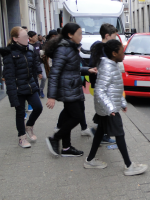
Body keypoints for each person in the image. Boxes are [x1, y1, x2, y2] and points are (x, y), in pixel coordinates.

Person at [84, 39, 148, 175]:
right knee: (120, 134)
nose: (124, 54)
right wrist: (111, 108)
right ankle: (129, 166)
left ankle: (89, 160)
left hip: (107, 107)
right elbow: (100, 90)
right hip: (108, 109)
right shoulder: (108, 67)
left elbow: (115, 88)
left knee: (100, 132)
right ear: (114, 53)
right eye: (122, 52)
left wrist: (122, 103)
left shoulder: (112, 65)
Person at [44, 23, 97, 157]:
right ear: (70, 35)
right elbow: (55, 73)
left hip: (73, 86)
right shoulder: (63, 49)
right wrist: (51, 96)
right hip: (68, 88)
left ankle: (66, 148)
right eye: (79, 33)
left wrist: (87, 70)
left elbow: (72, 68)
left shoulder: (71, 47)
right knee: (77, 117)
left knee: (69, 116)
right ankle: (55, 138)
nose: (81, 36)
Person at [0, 26, 43, 148]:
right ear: (15, 39)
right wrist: (12, 96)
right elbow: (9, 76)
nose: (27, 38)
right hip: (18, 89)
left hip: (30, 86)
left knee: (38, 107)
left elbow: (34, 68)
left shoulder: (30, 50)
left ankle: (29, 126)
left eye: (27, 36)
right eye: (24, 37)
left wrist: (37, 84)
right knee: (20, 113)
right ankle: (22, 138)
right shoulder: (9, 54)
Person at [88, 23, 119, 144]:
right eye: (114, 36)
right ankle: (100, 134)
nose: (115, 39)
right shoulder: (101, 49)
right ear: (107, 36)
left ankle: (99, 132)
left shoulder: (100, 48)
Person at [28, 31, 46, 98]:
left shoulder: (38, 43)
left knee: (44, 77)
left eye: (36, 36)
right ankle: (36, 92)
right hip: (32, 65)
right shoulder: (28, 46)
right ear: (30, 37)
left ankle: (41, 89)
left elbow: (42, 51)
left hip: (40, 63)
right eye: (35, 37)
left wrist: (43, 54)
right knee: (34, 79)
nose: (36, 38)